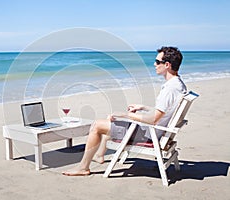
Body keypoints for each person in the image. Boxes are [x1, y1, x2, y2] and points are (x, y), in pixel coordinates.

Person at [62, 46, 187, 176]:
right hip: (155, 131)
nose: (154, 64)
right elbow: (164, 111)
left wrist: (126, 115)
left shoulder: (170, 89)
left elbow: (153, 119)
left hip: (148, 134)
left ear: (167, 65)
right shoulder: (178, 84)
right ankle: (99, 155)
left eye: (157, 62)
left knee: (97, 125)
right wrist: (142, 107)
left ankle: (83, 167)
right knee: (111, 123)